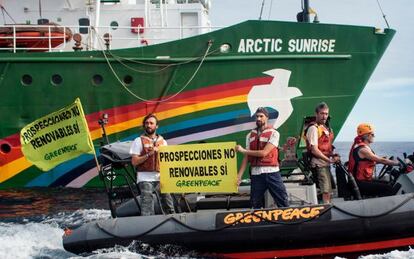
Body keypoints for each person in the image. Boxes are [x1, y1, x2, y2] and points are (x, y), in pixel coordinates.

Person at [236, 107, 289, 208]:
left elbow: (264, 153)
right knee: (254, 204)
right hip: (256, 174)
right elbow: (247, 157)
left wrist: (243, 150)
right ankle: (258, 222)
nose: (258, 119)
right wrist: (239, 176)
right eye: (257, 116)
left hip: (272, 172)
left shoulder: (274, 133)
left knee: (283, 201)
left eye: (261, 116)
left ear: (267, 118)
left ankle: (290, 221)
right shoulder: (250, 135)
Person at [129, 113, 175, 216]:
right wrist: (149, 154)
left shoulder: (163, 142)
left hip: (160, 177)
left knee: (168, 202)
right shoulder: (138, 141)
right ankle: (147, 224)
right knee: (147, 204)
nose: (148, 125)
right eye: (146, 123)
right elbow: (134, 161)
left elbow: (167, 162)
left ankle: (170, 220)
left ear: (156, 126)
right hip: (145, 178)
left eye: (151, 123)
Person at [347, 123, 400, 197]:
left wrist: (380, 161)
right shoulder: (363, 149)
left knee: (387, 183)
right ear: (367, 135)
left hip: (361, 180)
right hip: (359, 183)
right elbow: (382, 160)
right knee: (388, 188)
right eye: (372, 134)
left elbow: (365, 162)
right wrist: (398, 163)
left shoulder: (362, 147)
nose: (374, 136)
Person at [305, 102, 339, 204]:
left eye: (326, 114)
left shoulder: (325, 128)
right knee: (325, 191)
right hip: (319, 164)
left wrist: (333, 156)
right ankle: (326, 209)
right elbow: (314, 150)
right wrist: (329, 160)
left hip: (325, 163)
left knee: (330, 190)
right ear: (316, 114)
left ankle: (327, 206)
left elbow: (326, 147)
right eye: (322, 113)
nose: (324, 116)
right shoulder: (313, 129)